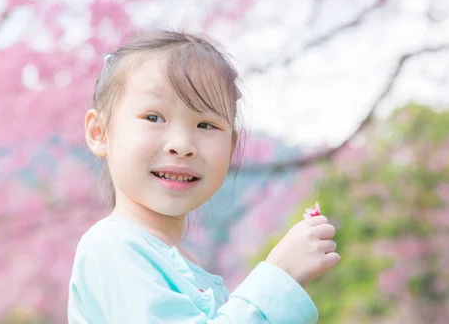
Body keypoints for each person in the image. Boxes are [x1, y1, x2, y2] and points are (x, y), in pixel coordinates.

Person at [68, 29, 341, 323]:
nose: (182, 145)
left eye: (206, 124)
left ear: (231, 147)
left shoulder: (184, 265)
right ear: (99, 132)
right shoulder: (112, 246)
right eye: (153, 117)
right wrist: (279, 277)